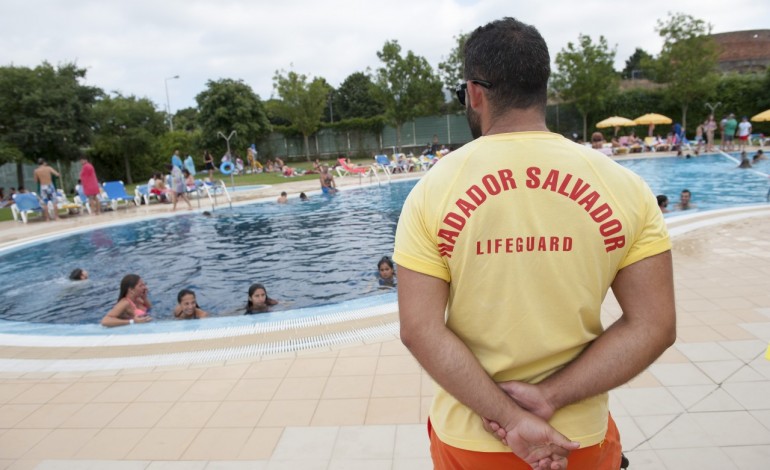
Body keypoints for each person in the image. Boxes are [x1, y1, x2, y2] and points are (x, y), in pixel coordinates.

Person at [394, 17, 675, 469]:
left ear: (475, 92)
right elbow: (654, 325)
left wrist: (509, 416)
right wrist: (550, 397)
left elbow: (420, 329)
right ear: (542, 88)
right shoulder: (625, 187)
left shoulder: (432, 189)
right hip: (574, 436)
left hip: (472, 438)